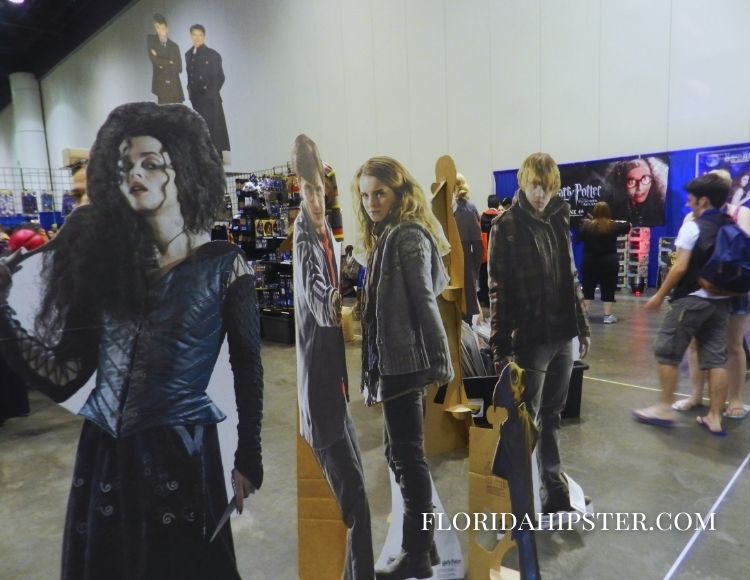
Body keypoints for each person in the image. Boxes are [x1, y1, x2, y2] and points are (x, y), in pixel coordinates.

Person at [0, 102, 263, 579]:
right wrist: (3, 316)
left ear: (181, 169)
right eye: (124, 167)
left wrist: (249, 456)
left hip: (180, 453)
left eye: (150, 163)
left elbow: (248, 367)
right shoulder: (108, 266)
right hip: (103, 455)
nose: (134, 174)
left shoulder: (225, 265)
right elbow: (68, 370)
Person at [353, 156, 453, 580]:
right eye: (365, 194)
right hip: (393, 361)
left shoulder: (407, 234)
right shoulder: (387, 234)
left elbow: (426, 299)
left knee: (408, 457)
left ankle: (415, 555)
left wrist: (440, 359)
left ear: (398, 193)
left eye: (380, 192)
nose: (372, 201)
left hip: (405, 362)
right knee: (400, 453)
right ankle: (424, 548)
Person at [488, 152, 591, 515]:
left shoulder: (559, 217)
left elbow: (571, 275)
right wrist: (501, 349)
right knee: (523, 421)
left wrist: (582, 326)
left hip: (562, 333)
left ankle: (554, 488)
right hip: (529, 338)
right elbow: (497, 290)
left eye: (547, 188)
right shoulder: (506, 226)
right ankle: (511, 497)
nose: (540, 194)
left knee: (552, 415)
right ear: (523, 182)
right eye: (535, 185)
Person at [291, 135, 373, 580]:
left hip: (334, 390)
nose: (316, 201)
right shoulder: (305, 240)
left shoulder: (324, 232)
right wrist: (355, 276)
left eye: (320, 192)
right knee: (356, 500)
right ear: (298, 193)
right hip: (320, 399)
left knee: (354, 497)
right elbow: (324, 310)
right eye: (308, 193)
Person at [633, 172, 732, 436]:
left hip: (690, 300)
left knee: (668, 350)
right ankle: (714, 417)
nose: (688, 203)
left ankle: (664, 407)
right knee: (716, 359)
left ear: (703, 200)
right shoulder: (729, 225)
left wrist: (659, 295)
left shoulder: (693, 226)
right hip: (721, 302)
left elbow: (679, 268)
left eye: (691, 198)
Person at [673, 170, 750, 420]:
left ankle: (736, 397)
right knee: (696, 345)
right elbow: (683, 255)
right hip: (702, 290)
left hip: (733, 290)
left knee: (734, 345)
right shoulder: (689, 217)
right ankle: (696, 395)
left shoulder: (742, 214)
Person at [577, 201, 630, 324]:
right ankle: (607, 316)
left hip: (590, 262)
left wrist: (589, 223)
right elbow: (628, 225)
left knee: (587, 288)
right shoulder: (613, 226)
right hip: (609, 263)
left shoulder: (586, 226)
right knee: (608, 288)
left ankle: (584, 316)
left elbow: (578, 239)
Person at [186, 24, 230, 154]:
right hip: (197, 101)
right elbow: (191, 77)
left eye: (200, 35)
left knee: (214, 132)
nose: (197, 38)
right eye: (194, 35)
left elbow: (219, 77)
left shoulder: (212, 54)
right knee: (201, 131)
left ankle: (217, 160)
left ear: (204, 36)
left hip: (211, 101)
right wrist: (191, 93)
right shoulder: (188, 55)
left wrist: (210, 95)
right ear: (191, 36)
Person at [602, 157, 668, 227]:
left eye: (645, 178)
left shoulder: (659, 208)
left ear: (653, 179)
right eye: (631, 181)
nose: (639, 187)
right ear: (621, 184)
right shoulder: (613, 213)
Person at [452, 173, 483, 324]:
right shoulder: (470, 210)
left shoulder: (442, 209)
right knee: (466, 322)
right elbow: (478, 248)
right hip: (465, 268)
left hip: (447, 270)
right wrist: (474, 272)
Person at [147, 13, 185, 105]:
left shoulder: (174, 46)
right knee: (165, 117)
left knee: (179, 117)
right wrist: (170, 62)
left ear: (167, 29)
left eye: (162, 28)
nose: (160, 31)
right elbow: (154, 60)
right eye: (157, 28)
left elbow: (179, 68)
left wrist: (161, 62)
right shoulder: (151, 40)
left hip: (175, 89)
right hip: (161, 89)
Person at [478, 195, 502, 306]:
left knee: (484, 276)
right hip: (497, 253)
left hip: (484, 253)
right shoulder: (501, 217)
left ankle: (485, 299)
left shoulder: (481, 217)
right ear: (498, 205)